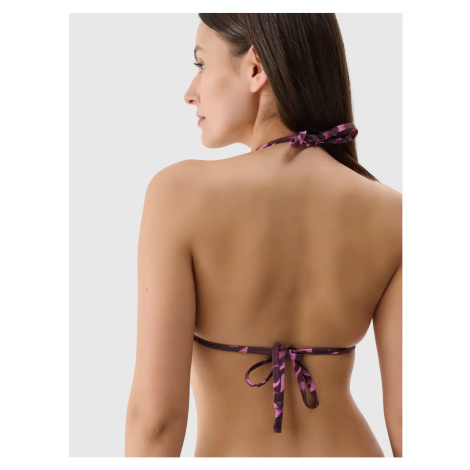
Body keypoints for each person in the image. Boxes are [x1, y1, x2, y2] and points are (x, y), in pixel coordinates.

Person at [125, 13, 402, 458]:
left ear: (255, 68)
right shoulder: (394, 213)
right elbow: (412, 421)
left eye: (201, 64)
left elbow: (155, 422)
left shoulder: (178, 194)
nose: (190, 92)